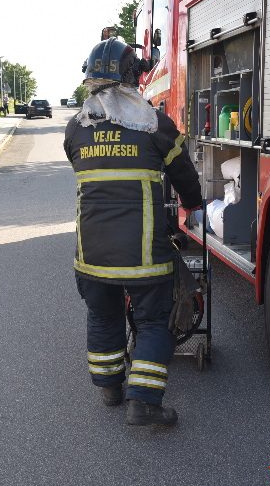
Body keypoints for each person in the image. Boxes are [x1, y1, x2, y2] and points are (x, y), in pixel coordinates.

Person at [63, 38, 202, 426]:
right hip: (145, 259)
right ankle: (144, 403)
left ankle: (110, 390)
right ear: (135, 77)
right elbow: (184, 174)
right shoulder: (155, 125)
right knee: (153, 322)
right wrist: (194, 203)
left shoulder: (76, 129)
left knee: (104, 317)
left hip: (92, 256)